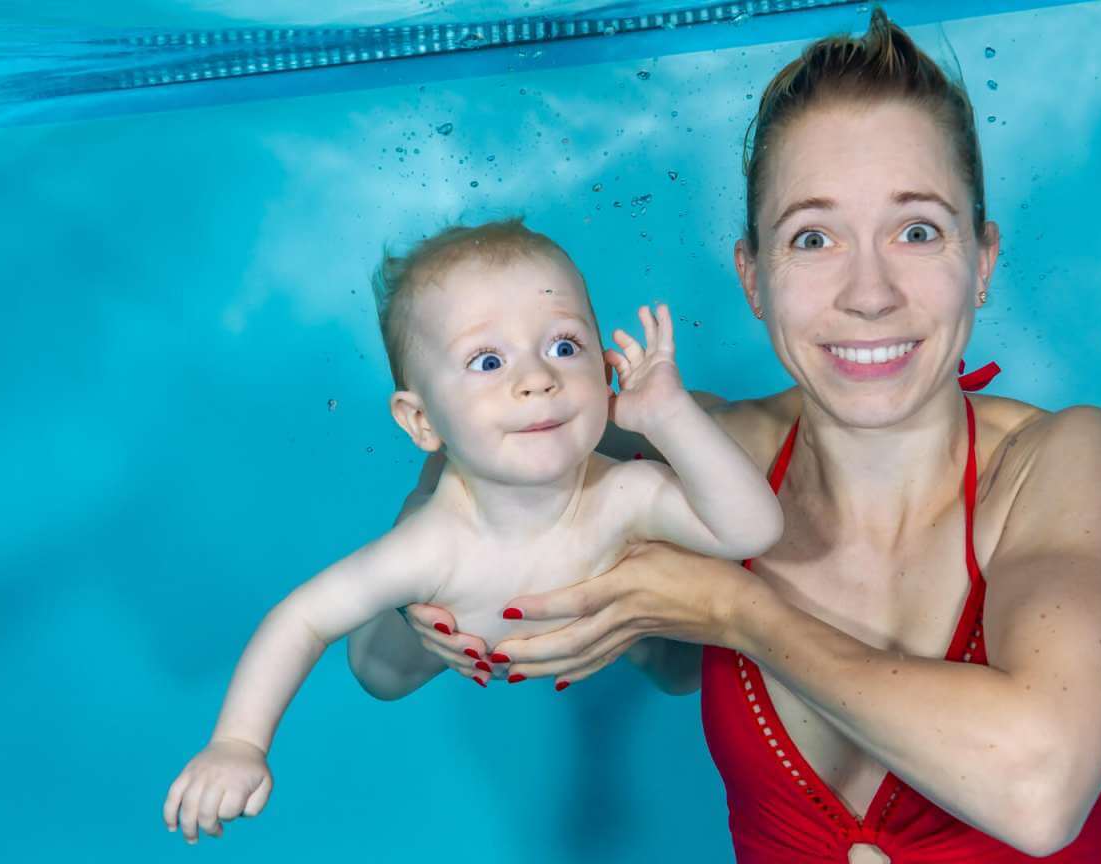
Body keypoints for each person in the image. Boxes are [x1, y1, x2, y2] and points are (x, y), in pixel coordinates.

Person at [379, 10, 1101, 863]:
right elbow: (381, 665)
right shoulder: (697, 457)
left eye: (918, 230)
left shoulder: (1066, 463)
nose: (869, 293)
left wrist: (732, 610)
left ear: (983, 262)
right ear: (752, 276)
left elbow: (1040, 791)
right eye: (813, 238)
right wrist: (476, 472)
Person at [160, 219, 783, 845]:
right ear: (420, 419)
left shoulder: (621, 492)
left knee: (683, 673)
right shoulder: (432, 546)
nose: (538, 378)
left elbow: (750, 529)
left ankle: (647, 610)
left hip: (615, 582)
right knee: (377, 676)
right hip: (470, 613)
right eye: (488, 361)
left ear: (606, 364)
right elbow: (302, 619)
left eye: (565, 346)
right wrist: (237, 742)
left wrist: (670, 417)